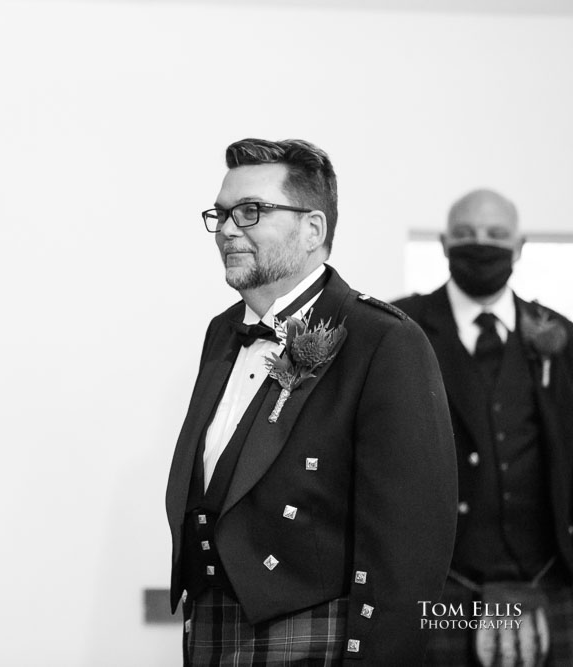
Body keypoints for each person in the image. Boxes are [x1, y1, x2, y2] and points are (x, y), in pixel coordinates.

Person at [165, 138, 458, 665]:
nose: (228, 229)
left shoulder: (383, 340)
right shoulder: (223, 332)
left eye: (251, 211)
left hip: (316, 636)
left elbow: (409, 550)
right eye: (222, 213)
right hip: (211, 629)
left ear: (313, 229)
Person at [394, 189, 573, 666]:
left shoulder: (560, 334)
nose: (481, 244)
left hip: (548, 578)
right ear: (443, 242)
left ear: (520, 245)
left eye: (496, 235)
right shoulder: (398, 329)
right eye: (466, 234)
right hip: (440, 587)